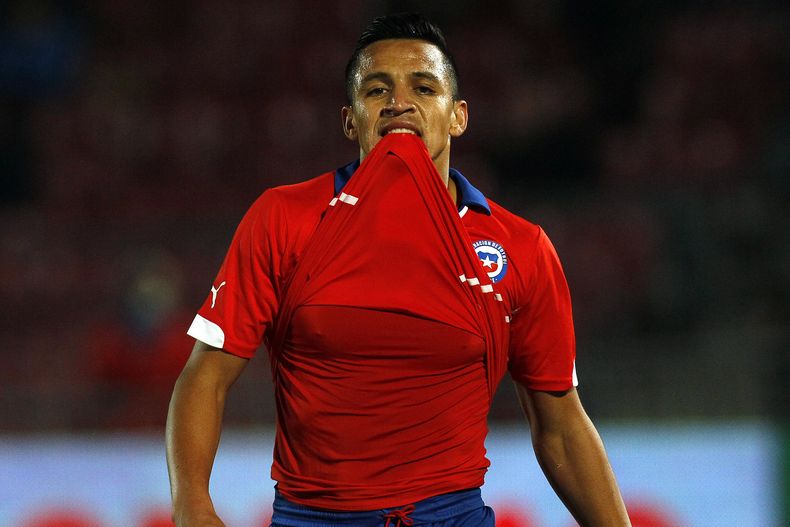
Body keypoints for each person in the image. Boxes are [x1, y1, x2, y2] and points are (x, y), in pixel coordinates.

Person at [166, 12, 631, 527]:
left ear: (457, 116)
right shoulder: (283, 219)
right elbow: (205, 376)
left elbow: (561, 426)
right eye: (376, 89)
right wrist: (192, 507)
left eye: (424, 87)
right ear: (350, 120)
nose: (398, 102)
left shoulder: (521, 248)